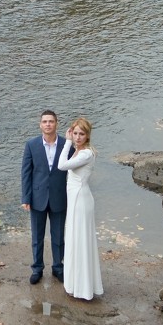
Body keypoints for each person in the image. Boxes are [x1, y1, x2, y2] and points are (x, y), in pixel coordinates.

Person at [21, 110, 70, 284]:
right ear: (40, 124)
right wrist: (25, 198)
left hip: (59, 197)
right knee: (37, 236)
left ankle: (58, 267)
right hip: (37, 197)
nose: (48, 124)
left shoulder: (66, 145)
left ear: (57, 123)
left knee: (58, 237)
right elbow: (26, 173)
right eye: (44, 121)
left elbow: (73, 172)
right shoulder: (31, 145)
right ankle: (37, 268)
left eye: (51, 121)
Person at [58, 117, 103, 299]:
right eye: (75, 133)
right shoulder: (79, 151)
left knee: (81, 241)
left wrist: (67, 141)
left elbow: (61, 165)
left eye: (81, 134)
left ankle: (83, 288)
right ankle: (75, 284)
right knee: (74, 239)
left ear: (87, 135)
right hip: (75, 197)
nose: (77, 137)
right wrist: (71, 145)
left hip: (81, 200)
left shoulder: (86, 154)